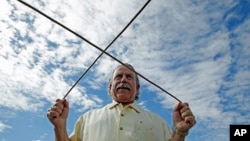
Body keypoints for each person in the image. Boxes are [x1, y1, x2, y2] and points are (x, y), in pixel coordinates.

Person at [47, 63, 196, 141]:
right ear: (110, 86)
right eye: (118, 77)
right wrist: (59, 127)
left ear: (137, 88)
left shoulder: (158, 122)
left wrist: (180, 131)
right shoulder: (86, 118)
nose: (123, 79)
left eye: (129, 77)